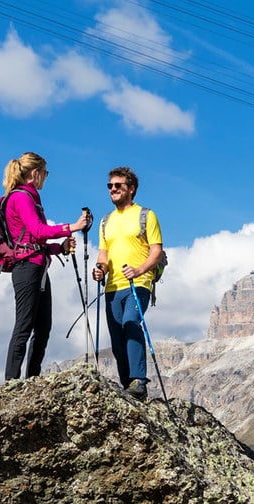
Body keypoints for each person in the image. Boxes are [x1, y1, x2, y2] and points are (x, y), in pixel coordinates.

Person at [1, 152, 91, 381]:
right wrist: (72, 227)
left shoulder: (29, 198)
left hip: (37, 267)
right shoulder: (21, 198)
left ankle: (32, 378)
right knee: (24, 325)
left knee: (43, 327)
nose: (46, 178)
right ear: (36, 173)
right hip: (28, 269)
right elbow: (38, 231)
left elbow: (34, 241)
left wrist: (58, 248)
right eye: (46, 173)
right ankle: (11, 382)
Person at [93, 166, 163, 400]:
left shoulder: (146, 215)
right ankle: (128, 386)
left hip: (139, 282)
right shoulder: (105, 222)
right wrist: (100, 270)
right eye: (110, 186)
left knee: (131, 323)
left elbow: (156, 251)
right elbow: (103, 254)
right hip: (112, 287)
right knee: (116, 338)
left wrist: (140, 270)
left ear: (131, 189)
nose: (112, 189)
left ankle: (138, 381)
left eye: (118, 186)